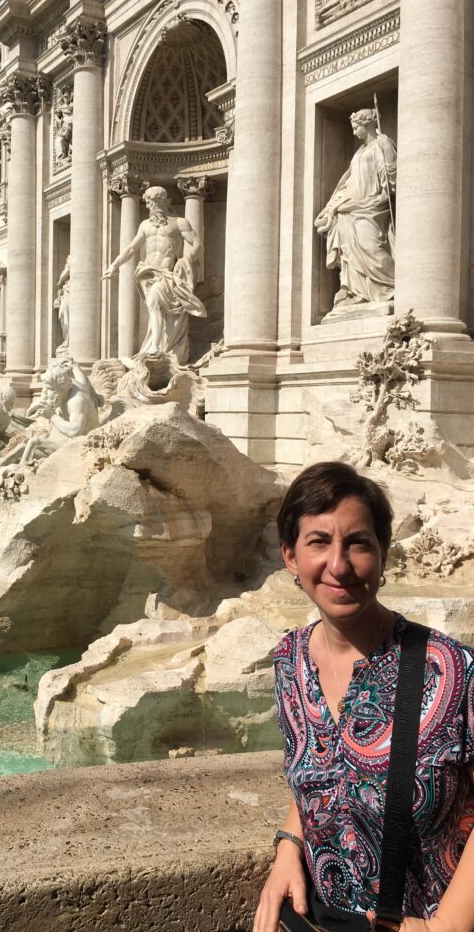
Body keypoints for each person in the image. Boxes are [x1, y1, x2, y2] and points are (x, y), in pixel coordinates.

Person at [254, 461, 474, 931]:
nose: (338, 565)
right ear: (290, 557)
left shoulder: (452, 669)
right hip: (315, 919)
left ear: (383, 554)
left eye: (358, 543)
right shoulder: (290, 661)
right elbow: (327, 769)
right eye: (318, 542)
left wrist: (446, 927)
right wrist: (288, 846)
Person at [102, 186, 206, 364]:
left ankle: (155, 346)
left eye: (153, 202)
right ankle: (156, 345)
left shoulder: (179, 222)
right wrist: (115, 265)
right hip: (146, 274)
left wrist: (185, 260)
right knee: (155, 310)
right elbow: (131, 248)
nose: (150, 206)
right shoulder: (145, 225)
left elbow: (197, 245)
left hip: (166, 273)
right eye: (148, 202)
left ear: (165, 201)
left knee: (153, 303)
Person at [315, 108, 396, 311]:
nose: (353, 132)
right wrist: (331, 207)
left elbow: (392, 175)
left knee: (371, 246)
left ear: (367, 124)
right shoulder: (358, 153)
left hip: (373, 205)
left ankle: (392, 284)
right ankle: (355, 290)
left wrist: (387, 151)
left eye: (356, 127)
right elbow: (348, 184)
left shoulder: (382, 144)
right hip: (351, 206)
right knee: (348, 250)